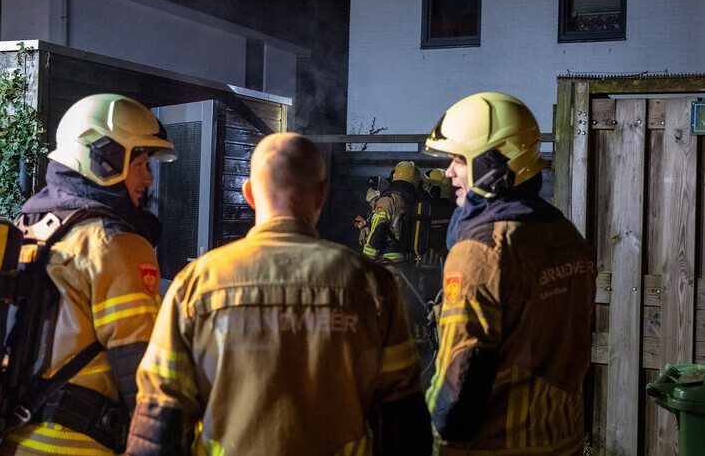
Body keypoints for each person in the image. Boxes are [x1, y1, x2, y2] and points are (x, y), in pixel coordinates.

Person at [126, 132, 432, 456]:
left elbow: (160, 419)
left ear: (248, 194)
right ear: (321, 194)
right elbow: (402, 423)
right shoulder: (373, 285)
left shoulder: (197, 283)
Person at [0, 94, 176, 456]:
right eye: (140, 163)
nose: (148, 179)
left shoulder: (31, 224)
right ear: (104, 158)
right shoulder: (115, 241)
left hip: (10, 440)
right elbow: (143, 373)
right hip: (77, 444)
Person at [423, 92, 596, 456]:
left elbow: (459, 393)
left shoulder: (482, 252)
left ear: (491, 162)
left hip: (495, 445)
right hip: (560, 440)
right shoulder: (566, 235)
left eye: (458, 159)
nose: (448, 172)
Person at [361, 161, 420, 264]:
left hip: (387, 258)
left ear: (394, 175)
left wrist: (367, 257)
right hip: (404, 256)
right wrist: (375, 200)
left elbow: (380, 226)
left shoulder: (389, 199)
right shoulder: (415, 201)